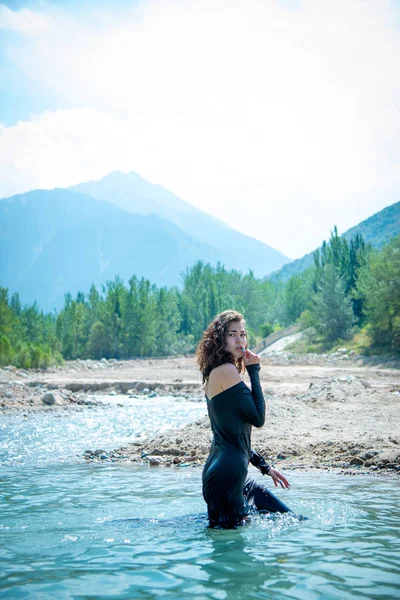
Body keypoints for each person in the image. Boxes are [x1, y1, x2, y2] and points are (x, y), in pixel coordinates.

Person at [196, 309, 293, 529]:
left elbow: (233, 435)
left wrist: (264, 467)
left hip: (227, 474)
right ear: (220, 339)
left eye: (243, 334)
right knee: (230, 550)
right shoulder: (227, 371)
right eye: (232, 334)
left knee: (288, 517)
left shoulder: (219, 373)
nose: (240, 339)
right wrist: (254, 370)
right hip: (226, 475)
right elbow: (258, 418)